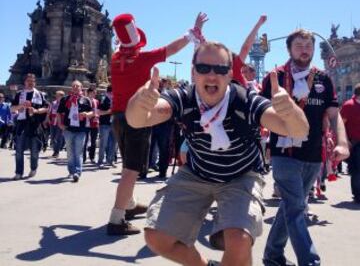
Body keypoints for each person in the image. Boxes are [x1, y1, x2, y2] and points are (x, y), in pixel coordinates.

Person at [126, 41, 309, 266]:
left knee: (239, 239)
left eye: (220, 69)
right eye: (204, 68)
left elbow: (298, 130)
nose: (212, 76)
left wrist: (290, 111)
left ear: (230, 74)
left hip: (241, 176)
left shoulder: (245, 101)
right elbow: (137, 120)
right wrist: (140, 101)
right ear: (193, 72)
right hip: (197, 173)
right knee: (156, 237)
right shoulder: (184, 97)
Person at [107, 12, 209, 236]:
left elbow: (122, 47)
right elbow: (171, 49)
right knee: (131, 170)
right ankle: (116, 218)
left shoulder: (115, 59)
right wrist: (193, 32)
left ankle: (130, 204)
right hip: (137, 116)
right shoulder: (143, 58)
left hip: (117, 117)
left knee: (128, 165)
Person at [261, 29, 349, 266]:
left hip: (313, 155)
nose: (305, 49)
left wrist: (341, 142)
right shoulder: (275, 77)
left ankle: (272, 256)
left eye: (308, 45)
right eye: (299, 45)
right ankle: (310, 261)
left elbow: (334, 115)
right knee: (297, 206)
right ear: (289, 49)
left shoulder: (323, 79)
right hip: (284, 154)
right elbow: (261, 114)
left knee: (291, 207)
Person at [11, 73, 48, 180]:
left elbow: (46, 108)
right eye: (28, 80)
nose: (31, 82)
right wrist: (20, 106)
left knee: (34, 151)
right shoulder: (19, 94)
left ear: (35, 82)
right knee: (19, 150)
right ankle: (19, 172)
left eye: (33, 81)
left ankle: (33, 168)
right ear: (25, 82)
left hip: (35, 125)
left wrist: (36, 110)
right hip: (21, 124)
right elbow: (12, 109)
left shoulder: (40, 94)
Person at [57, 80, 94, 182]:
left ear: (81, 88)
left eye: (77, 86)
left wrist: (87, 114)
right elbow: (59, 112)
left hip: (81, 129)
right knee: (69, 151)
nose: (75, 87)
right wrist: (60, 124)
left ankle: (77, 172)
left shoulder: (86, 100)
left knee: (78, 151)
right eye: (73, 86)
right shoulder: (65, 99)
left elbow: (92, 112)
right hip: (68, 129)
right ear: (71, 88)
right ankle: (71, 170)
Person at [341, 83, 360, 203]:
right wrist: (345, 140)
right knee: (357, 170)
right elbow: (341, 124)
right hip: (355, 143)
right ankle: (358, 195)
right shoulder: (348, 105)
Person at [97, 86, 116, 168]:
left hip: (114, 124)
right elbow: (99, 112)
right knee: (103, 143)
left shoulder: (116, 99)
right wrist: (108, 111)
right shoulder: (103, 99)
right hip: (105, 124)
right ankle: (100, 161)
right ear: (109, 92)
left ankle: (110, 160)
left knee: (113, 144)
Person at [49, 90, 65, 158]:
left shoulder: (64, 103)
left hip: (60, 122)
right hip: (53, 122)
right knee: (52, 137)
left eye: (58, 95)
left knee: (58, 137)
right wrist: (48, 119)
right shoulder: (53, 103)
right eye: (56, 95)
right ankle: (56, 149)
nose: (56, 96)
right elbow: (50, 111)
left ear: (62, 96)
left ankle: (56, 152)